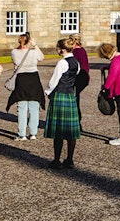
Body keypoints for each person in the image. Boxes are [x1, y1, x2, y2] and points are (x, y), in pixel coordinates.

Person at [44, 38, 81, 169]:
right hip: (70, 95)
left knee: (59, 130)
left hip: (60, 95)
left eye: (57, 47)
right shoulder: (76, 62)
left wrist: (48, 92)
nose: (56, 49)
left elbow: (54, 81)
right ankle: (69, 159)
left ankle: (56, 160)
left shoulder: (61, 63)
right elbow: (75, 77)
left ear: (62, 49)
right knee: (70, 131)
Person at [6, 32, 45, 141]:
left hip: (21, 79)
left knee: (22, 107)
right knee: (34, 107)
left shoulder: (14, 52)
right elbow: (42, 57)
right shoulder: (33, 52)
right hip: (33, 79)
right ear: (29, 41)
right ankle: (33, 133)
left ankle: (21, 134)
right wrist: (35, 45)